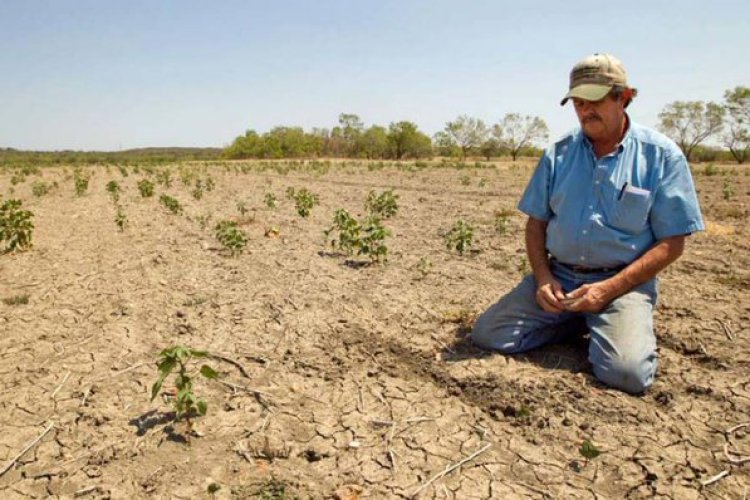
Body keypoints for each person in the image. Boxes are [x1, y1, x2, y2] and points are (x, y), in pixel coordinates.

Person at [471, 53, 704, 394]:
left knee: (627, 375)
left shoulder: (661, 156)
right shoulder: (558, 154)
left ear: (624, 98)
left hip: (621, 285)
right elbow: (536, 224)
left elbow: (672, 243)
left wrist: (607, 291)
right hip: (560, 277)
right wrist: (543, 278)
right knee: (489, 334)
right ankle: (573, 319)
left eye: (594, 100)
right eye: (578, 102)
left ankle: (609, 322)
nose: (585, 111)